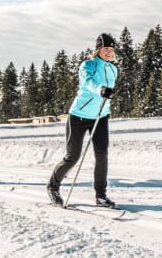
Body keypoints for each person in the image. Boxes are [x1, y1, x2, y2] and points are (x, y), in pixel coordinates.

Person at [48, 33, 118, 208]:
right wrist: (100, 89)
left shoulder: (113, 69)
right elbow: (88, 82)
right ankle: (53, 187)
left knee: (102, 155)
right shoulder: (88, 65)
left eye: (111, 49)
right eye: (105, 48)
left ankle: (100, 195)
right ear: (98, 50)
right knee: (73, 156)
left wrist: (107, 103)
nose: (109, 52)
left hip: (100, 116)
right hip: (78, 116)